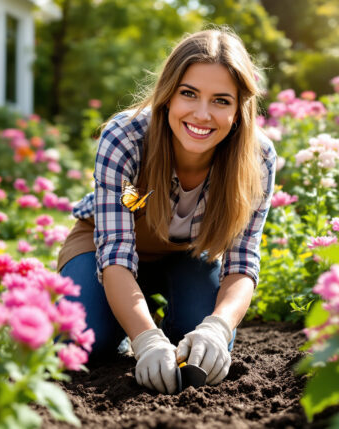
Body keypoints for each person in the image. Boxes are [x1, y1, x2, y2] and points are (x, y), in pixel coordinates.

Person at [57, 28, 276, 394]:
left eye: (221, 100)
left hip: (186, 254)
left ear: (239, 109)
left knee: (206, 350)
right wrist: (145, 339)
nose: (202, 114)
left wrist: (217, 327)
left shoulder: (258, 158)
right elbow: (114, 253)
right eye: (188, 94)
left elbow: (243, 261)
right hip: (101, 250)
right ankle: (127, 324)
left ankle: (149, 320)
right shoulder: (125, 138)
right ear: (168, 95)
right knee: (85, 342)